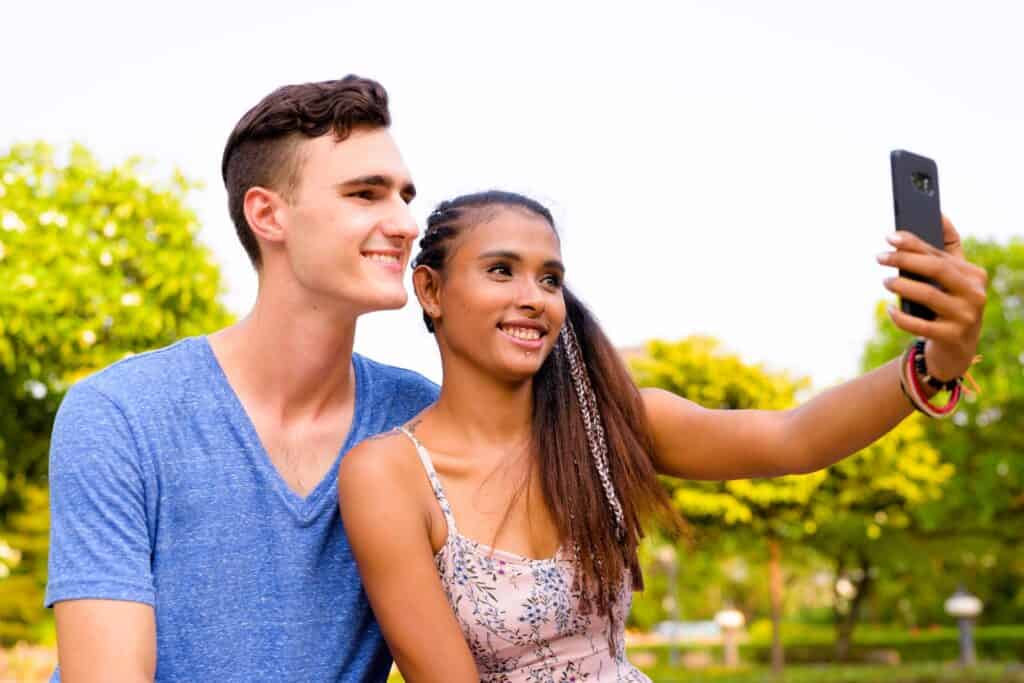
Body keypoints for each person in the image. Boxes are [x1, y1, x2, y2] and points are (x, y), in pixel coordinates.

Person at [338, 190, 988, 682]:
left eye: (550, 277)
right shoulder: (388, 474)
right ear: (430, 289)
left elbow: (795, 438)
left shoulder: (607, 426)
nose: (534, 296)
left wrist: (934, 363)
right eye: (501, 270)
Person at [45, 76, 438, 681]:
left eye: (405, 197)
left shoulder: (418, 419)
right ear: (267, 214)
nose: (406, 223)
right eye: (366, 194)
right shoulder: (119, 414)